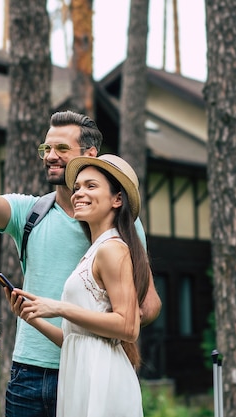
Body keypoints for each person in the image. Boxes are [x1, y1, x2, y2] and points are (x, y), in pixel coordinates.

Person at [0, 110, 161, 417]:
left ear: (90, 155)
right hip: (29, 373)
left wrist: (109, 331)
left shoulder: (120, 230)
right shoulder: (31, 213)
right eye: (46, 149)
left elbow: (147, 304)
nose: (50, 156)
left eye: (62, 149)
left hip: (87, 371)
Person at [15, 154, 148, 417]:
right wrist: (33, 316)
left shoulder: (113, 249)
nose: (78, 193)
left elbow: (128, 327)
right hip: (79, 372)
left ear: (117, 199)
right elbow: (75, 337)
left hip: (101, 377)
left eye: (91, 186)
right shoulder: (93, 251)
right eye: (76, 187)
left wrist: (61, 308)